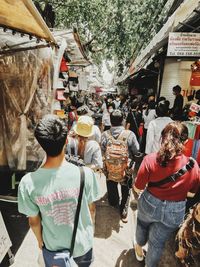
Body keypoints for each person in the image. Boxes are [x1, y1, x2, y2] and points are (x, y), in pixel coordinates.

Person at [18, 114, 100, 267]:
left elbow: (34, 222)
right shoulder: (85, 174)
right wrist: (89, 233)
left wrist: (40, 241)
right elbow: (92, 209)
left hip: (53, 250)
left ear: (41, 145)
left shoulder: (28, 183)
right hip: (83, 247)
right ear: (67, 140)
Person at [133, 121, 200, 267]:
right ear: (186, 141)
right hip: (175, 211)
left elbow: (138, 187)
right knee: (157, 243)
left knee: (142, 224)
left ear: (163, 137)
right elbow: (191, 193)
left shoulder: (150, 159)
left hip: (150, 203)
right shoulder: (193, 165)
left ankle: (139, 247)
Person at [101, 110, 139, 222]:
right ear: (122, 121)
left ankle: (113, 202)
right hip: (125, 170)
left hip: (110, 169)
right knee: (126, 188)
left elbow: (103, 151)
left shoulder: (105, 134)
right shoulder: (130, 134)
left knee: (111, 184)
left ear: (110, 121)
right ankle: (123, 210)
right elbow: (136, 151)